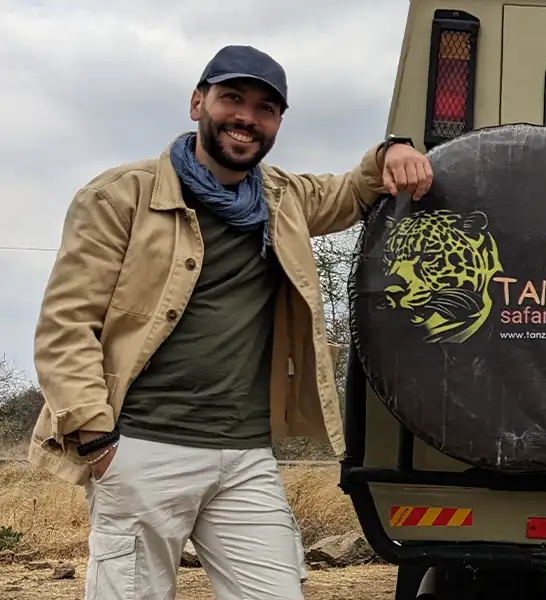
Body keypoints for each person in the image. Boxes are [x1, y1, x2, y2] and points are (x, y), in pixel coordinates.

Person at [27, 45, 433, 599]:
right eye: (232, 98)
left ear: (277, 124)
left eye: (265, 108)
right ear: (198, 102)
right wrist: (98, 439)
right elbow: (66, 324)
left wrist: (395, 147)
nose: (246, 117)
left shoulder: (284, 198)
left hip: (244, 456)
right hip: (142, 446)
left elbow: (355, 189)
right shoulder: (119, 196)